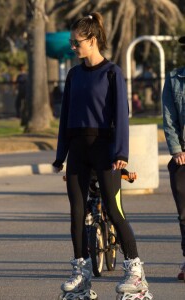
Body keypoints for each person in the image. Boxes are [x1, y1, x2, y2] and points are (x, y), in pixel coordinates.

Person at [52, 12, 150, 298]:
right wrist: (61, 154)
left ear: (92, 40)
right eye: (71, 42)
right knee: (77, 213)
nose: (73, 47)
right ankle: (81, 273)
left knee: (113, 209)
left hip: (105, 149)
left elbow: (122, 114)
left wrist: (121, 152)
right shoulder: (73, 75)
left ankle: (135, 272)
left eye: (76, 42)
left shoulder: (112, 72)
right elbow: (65, 118)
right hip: (78, 149)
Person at [162, 35, 185, 281]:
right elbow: (169, 118)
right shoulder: (174, 79)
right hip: (183, 156)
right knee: (184, 214)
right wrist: (177, 150)